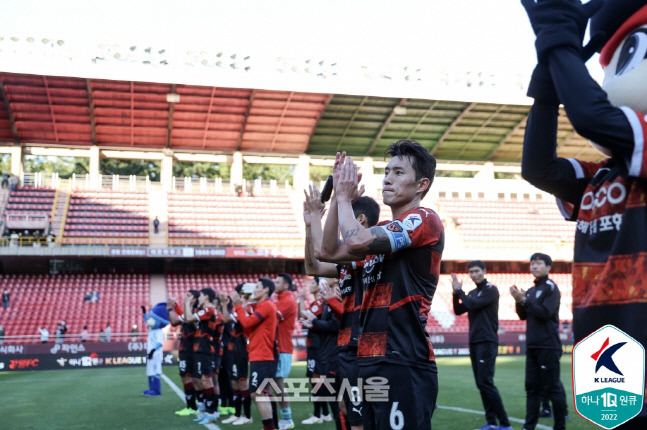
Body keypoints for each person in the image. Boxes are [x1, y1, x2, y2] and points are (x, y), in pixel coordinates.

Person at [520, 1, 647, 426]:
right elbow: (538, 168)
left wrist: (560, 47)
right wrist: (545, 85)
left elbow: (592, 116)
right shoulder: (601, 175)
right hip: (601, 336)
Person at [321, 141, 444, 430]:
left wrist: (343, 199)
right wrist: (338, 204)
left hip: (403, 360)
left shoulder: (423, 219)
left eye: (399, 172)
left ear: (421, 185)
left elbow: (354, 241)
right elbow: (326, 252)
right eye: (386, 171)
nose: (387, 178)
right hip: (371, 359)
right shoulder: (385, 230)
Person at [304, 184, 380, 430]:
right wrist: (308, 226)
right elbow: (313, 267)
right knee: (346, 409)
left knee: (360, 421)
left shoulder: (371, 249)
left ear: (360, 220)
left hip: (363, 348)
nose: (336, 230)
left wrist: (319, 214)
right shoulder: (347, 261)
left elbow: (323, 251)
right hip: (347, 348)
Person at [452, 261, 512, 430]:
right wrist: (455, 293)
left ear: (484, 271)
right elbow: (458, 310)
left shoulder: (490, 290)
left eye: (477, 271)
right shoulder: (472, 292)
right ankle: (492, 422)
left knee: (486, 382)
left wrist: (459, 291)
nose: (474, 274)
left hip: (487, 340)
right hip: (475, 340)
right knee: (481, 384)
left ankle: (505, 424)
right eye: (471, 271)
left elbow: (472, 305)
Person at [510, 253, 566, 430]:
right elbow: (523, 315)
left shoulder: (551, 287)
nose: (534, 266)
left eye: (539, 263)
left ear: (549, 267)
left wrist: (525, 300)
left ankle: (560, 426)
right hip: (533, 346)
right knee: (531, 389)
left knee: (552, 388)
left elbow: (545, 313)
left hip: (548, 345)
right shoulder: (532, 290)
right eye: (532, 263)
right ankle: (528, 426)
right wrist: (519, 301)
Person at [231, 278, 278, 430]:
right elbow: (248, 327)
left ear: (266, 290)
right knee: (259, 393)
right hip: (258, 355)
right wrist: (243, 305)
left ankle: (271, 427)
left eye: (257, 287)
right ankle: (273, 425)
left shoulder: (266, 305)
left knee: (258, 393)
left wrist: (238, 305)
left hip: (263, 356)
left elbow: (245, 323)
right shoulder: (262, 306)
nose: (254, 289)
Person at [183, 288, 220, 425]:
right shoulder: (204, 311)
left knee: (206, 380)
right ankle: (208, 411)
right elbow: (188, 319)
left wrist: (187, 303)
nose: (199, 298)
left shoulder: (209, 309)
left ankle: (212, 412)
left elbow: (189, 318)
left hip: (205, 349)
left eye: (201, 295)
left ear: (206, 297)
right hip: (200, 348)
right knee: (201, 380)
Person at [220, 286, 253, 425]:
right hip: (233, 347)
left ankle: (247, 416)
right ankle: (238, 414)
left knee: (242, 381)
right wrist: (224, 304)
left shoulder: (250, 307)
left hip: (241, 348)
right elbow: (226, 319)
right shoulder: (240, 307)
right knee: (234, 381)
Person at [168, 290, 201, 417]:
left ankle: (194, 406)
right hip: (186, 348)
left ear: (194, 299)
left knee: (192, 377)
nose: (184, 297)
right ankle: (195, 404)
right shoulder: (189, 312)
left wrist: (170, 308)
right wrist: (175, 307)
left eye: (188, 296)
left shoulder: (196, 312)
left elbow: (175, 321)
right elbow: (178, 319)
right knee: (187, 376)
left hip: (191, 349)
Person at [274, 273, 297, 430]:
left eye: (277, 282)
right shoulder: (281, 300)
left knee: (279, 384)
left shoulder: (288, 300)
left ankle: (287, 419)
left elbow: (272, 316)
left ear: (286, 285)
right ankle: (283, 418)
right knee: (275, 384)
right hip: (278, 347)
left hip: (282, 348)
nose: (275, 284)